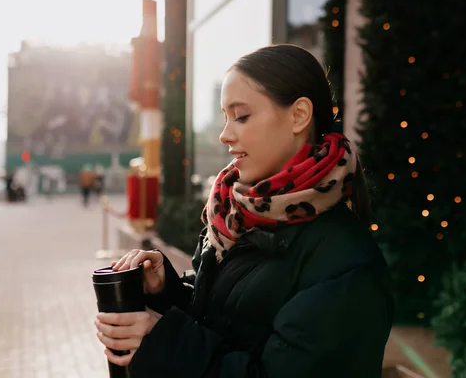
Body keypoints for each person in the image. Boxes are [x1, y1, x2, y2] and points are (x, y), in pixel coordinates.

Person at [94, 44, 394, 377]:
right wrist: (168, 291)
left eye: (242, 116)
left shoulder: (345, 262)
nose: (225, 135)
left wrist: (164, 339)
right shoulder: (234, 216)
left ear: (299, 116)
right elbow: (227, 319)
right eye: (225, 118)